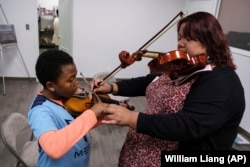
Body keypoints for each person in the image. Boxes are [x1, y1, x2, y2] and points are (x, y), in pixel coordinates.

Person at [91, 11, 245, 166]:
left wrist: (132, 118)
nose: (180, 43)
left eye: (189, 38)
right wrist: (111, 87)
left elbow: (188, 125)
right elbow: (151, 82)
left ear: (210, 41)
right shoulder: (186, 68)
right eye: (180, 37)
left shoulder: (222, 81)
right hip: (140, 150)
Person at [28, 49, 106, 167]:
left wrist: (100, 118)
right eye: (71, 80)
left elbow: (73, 126)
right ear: (51, 85)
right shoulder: (40, 110)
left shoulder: (65, 98)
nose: (76, 83)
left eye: (75, 77)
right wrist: (90, 114)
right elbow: (53, 147)